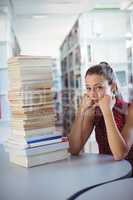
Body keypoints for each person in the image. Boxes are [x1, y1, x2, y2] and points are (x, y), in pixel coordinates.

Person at [68, 62, 133, 170]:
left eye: (99, 87)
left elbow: (119, 154)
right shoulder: (93, 111)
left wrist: (107, 111)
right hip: (106, 171)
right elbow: (73, 149)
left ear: (113, 87)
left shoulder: (130, 110)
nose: (92, 94)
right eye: (88, 88)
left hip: (128, 172)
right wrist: (81, 111)